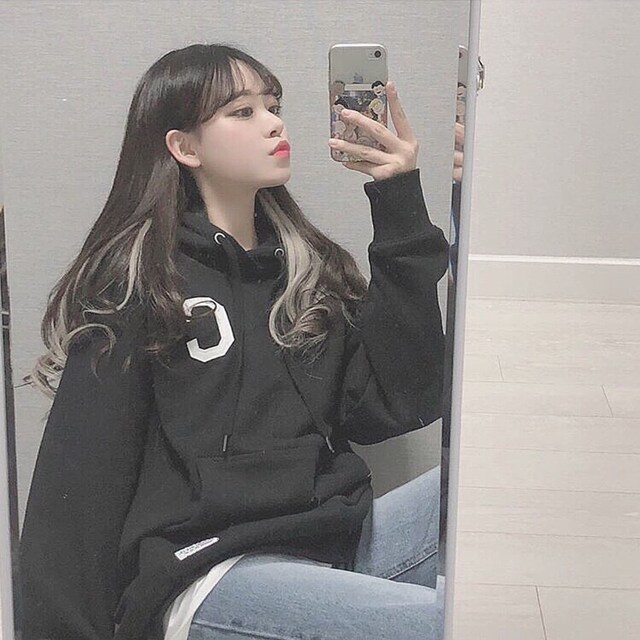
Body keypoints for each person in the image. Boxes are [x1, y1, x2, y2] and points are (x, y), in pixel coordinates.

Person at [18, 43, 450, 640]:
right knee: (445, 623)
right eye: (243, 112)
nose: (274, 123)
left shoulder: (307, 271)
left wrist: (398, 199)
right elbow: (78, 482)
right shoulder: (142, 284)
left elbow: (399, 404)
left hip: (327, 541)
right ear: (185, 147)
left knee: (476, 489)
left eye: (273, 106)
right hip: (210, 570)